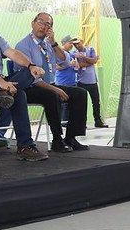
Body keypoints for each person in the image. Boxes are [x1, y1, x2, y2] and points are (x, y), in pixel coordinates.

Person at [0, 0, 48, 161]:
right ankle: (25, 145)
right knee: (19, 95)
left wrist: (31, 65)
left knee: (27, 77)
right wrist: (2, 82)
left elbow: (12, 53)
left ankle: (25, 147)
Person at [15, 13, 90, 151]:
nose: (43, 26)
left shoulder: (48, 44)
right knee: (52, 95)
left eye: (47, 24)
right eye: (40, 22)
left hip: (49, 84)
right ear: (33, 23)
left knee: (80, 93)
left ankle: (71, 137)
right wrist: (55, 89)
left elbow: (65, 61)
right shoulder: (23, 45)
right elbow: (31, 77)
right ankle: (57, 139)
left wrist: (54, 42)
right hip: (30, 87)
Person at [71, 37, 107, 127]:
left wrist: (84, 58)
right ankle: (82, 123)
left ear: (82, 42)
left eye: (78, 43)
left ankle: (98, 121)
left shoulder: (90, 49)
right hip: (81, 81)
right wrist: (91, 61)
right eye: (74, 44)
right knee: (81, 103)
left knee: (96, 102)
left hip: (92, 81)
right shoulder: (73, 54)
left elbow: (94, 61)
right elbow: (77, 66)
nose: (76, 45)